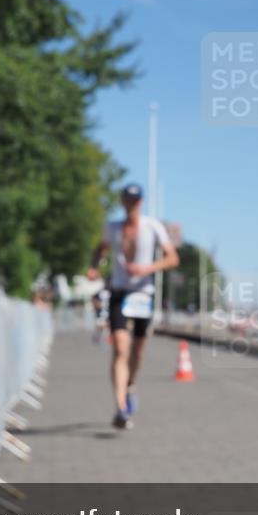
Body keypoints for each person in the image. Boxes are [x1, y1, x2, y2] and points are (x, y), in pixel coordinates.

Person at [86, 183, 180, 429]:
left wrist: (146, 269)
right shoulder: (113, 228)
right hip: (119, 292)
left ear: (141, 202)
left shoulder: (153, 227)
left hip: (142, 294)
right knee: (120, 347)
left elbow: (172, 258)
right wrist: (95, 266)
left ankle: (130, 384)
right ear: (122, 202)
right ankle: (120, 408)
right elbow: (101, 249)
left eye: (135, 200)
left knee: (138, 351)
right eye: (127, 200)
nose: (131, 204)